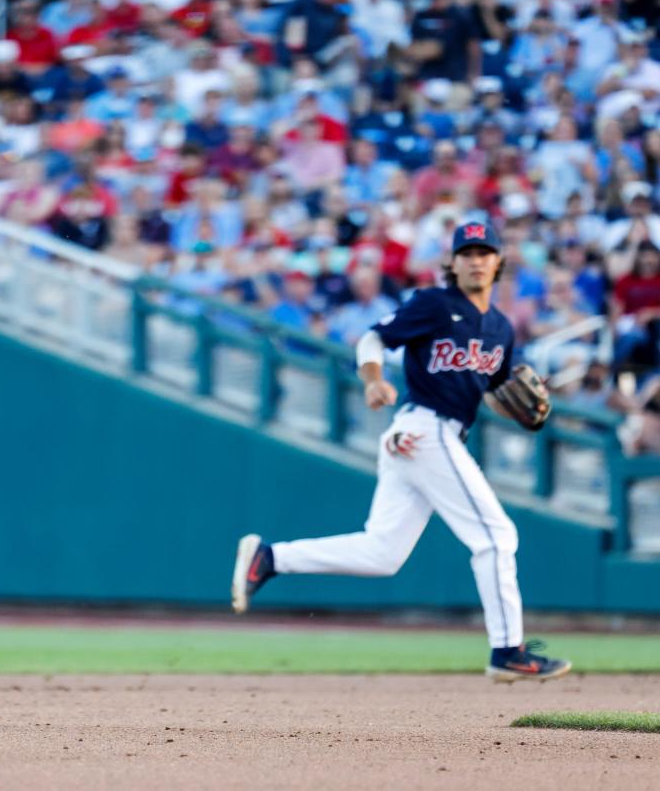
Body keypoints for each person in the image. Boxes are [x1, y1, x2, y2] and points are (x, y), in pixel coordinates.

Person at [230, 221, 572, 684]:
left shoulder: (500, 328)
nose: (475, 260)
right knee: (495, 538)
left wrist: (521, 410)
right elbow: (373, 339)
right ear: (452, 262)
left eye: (484, 251)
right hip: (424, 429)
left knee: (382, 553)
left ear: (498, 261)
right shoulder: (435, 304)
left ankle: (272, 558)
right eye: (467, 252)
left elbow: (493, 393)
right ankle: (507, 650)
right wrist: (373, 380)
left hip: (430, 436)